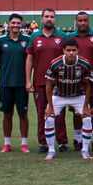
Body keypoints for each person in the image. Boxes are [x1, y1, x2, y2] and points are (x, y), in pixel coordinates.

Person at [26, 8, 69, 153]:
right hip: (39, 82)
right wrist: (28, 80)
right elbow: (30, 59)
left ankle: (62, 142)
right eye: (46, 16)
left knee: (59, 113)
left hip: (59, 83)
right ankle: (43, 143)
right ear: (41, 18)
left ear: (54, 19)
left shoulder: (61, 36)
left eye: (51, 16)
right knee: (41, 113)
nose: (49, 19)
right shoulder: (35, 36)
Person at [43, 39, 93, 161]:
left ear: (78, 51)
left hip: (78, 95)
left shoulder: (84, 63)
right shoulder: (55, 63)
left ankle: (85, 150)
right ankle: (51, 150)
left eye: (73, 50)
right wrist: (50, 105)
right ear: (63, 51)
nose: (71, 53)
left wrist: (86, 105)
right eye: (68, 50)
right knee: (49, 119)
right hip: (59, 95)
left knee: (87, 119)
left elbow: (87, 85)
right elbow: (49, 85)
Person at [0, 13, 30, 153]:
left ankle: (24, 143)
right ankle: (7, 143)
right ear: (8, 24)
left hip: (22, 84)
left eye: (18, 23)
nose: (15, 25)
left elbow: (30, 61)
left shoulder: (27, 40)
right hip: (5, 84)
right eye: (13, 23)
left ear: (21, 25)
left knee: (23, 114)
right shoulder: (0, 41)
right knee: (7, 114)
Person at [69, 11, 93, 151]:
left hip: (92, 80)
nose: (82, 23)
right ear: (76, 22)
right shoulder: (70, 38)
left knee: (91, 110)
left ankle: (90, 137)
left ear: (88, 21)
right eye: (80, 20)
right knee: (76, 111)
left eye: (85, 20)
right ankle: (77, 138)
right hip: (75, 80)